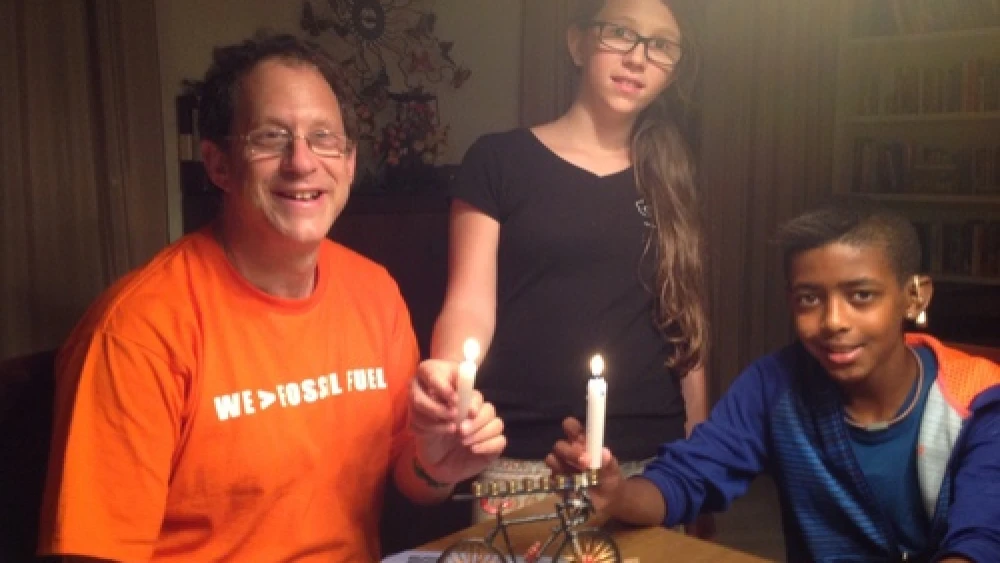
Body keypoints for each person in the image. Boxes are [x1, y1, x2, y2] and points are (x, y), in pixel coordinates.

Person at [37, 32, 505, 562]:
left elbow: (410, 474)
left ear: (349, 162)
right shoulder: (137, 329)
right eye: (270, 137)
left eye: (324, 138)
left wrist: (435, 463)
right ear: (218, 165)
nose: (302, 161)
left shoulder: (374, 292)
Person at [548, 200, 1000, 562]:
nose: (832, 321)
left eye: (861, 296)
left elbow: (980, 542)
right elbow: (688, 479)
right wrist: (618, 492)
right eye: (809, 299)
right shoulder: (774, 386)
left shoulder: (978, 398)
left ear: (914, 295)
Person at [426, 0, 712, 528]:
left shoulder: (671, 175)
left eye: (660, 45)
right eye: (621, 34)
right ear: (577, 43)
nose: (638, 58)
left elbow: (684, 316)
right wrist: (448, 389)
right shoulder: (499, 160)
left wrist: (699, 446)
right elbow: (468, 303)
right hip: (522, 459)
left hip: (650, 463)